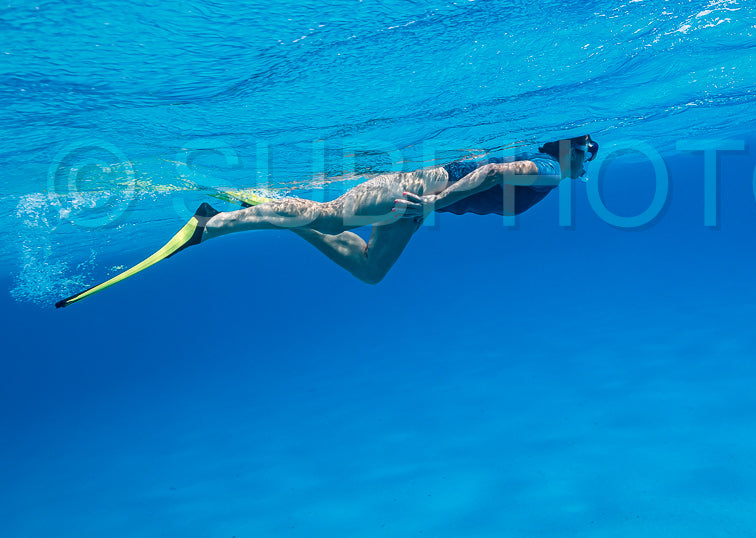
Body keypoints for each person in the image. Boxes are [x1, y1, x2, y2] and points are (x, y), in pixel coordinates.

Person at [55, 135, 598, 307]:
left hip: (419, 201)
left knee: (369, 269)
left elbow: (484, 166)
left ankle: (265, 207)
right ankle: (209, 224)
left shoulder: (550, 166)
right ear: (568, 150)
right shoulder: (548, 168)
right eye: (587, 153)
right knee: (330, 217)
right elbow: (493, 172)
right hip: (416, 194)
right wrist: (432, 205)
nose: (587, 163)